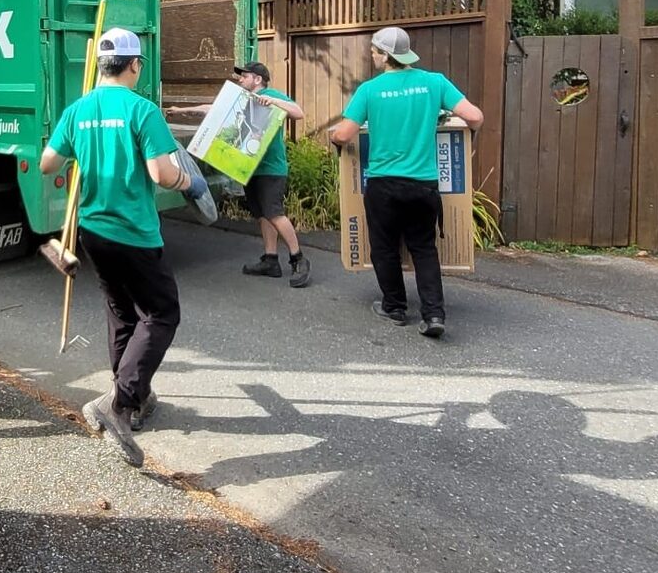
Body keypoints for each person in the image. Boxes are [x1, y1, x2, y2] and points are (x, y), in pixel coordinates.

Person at [40, 28, 207, 467]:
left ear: (101, 65)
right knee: (161, 313)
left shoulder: (78, 110)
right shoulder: (142, 110)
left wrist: (81, 149)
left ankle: (134, 391)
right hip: (135, 232)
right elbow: (162, 174)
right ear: (135, 65)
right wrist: (190, 180)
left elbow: (47, 164)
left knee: (120, 311)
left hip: (94, 228)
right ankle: (120, 404)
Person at [328, 27, 484, 339]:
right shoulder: (435, 82)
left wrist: (334, 138)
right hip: (423, 185)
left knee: (384, 248)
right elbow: (475, 117)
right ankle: (434, 314)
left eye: (374, 50)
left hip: (384, 185)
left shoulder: (370, 90)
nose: (372, 54)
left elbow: (344, 135)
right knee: (424, 248)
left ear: (385, 55)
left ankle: (395, 307)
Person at [174, 62, 310, 286]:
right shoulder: (242, 100)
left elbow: (298, 113)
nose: (240, 79)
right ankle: (270, 259)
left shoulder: (269, 94)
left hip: (271, 169)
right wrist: (182, 110)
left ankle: (299, 259)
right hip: (250, 168)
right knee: (262, 214)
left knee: (274, 213)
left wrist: (273, 101)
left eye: (244, 76)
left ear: (257, 79)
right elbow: (214, 108)